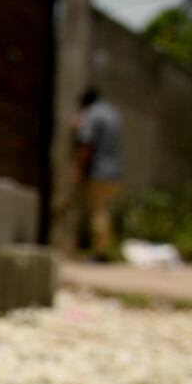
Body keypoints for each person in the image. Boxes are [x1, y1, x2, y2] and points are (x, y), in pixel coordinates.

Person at [73, 87, 124, 259]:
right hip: (115, 172)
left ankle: (100, 253)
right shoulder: (113, 114)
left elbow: (87, 144)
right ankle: (104, 249)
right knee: (105, 212)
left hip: (99, 171)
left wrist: (78, 170)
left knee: (98, 213)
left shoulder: (92, 114)